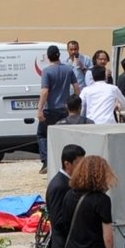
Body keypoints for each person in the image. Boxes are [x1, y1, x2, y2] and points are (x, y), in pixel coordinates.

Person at [38, 44, 78, 173]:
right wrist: (75, 103)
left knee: (42, 134)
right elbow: (77, 88)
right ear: (59, 55)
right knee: (64, 135)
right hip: (65, 108)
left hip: (50, 109)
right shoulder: (68, 70)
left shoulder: (47, 71)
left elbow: (45, 91)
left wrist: (39, 109)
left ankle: (46, 161)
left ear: (48, 57)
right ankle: (66, 162)